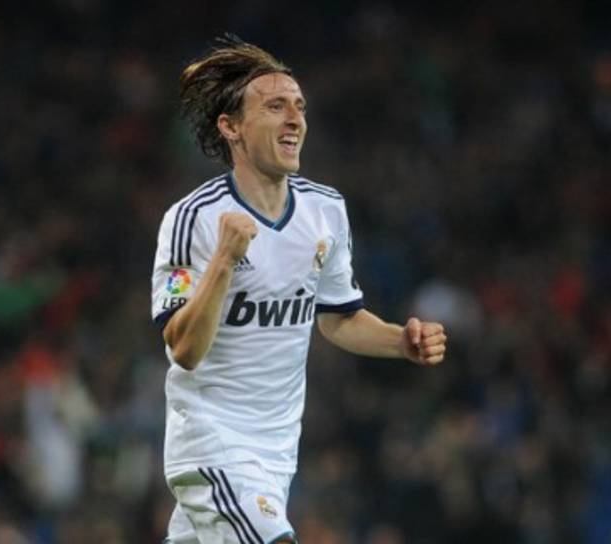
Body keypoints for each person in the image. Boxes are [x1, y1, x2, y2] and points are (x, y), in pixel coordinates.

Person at [150, 35, 447, 544]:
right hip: (211, 445)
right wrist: (224, 261)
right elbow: (184, 350)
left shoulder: (325, 211)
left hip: (276, 457)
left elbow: (339, 318)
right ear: (231, 127)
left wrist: (400, 341)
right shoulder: (191, 220)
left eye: (299, 107)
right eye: (275, 107)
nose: (294, 119)